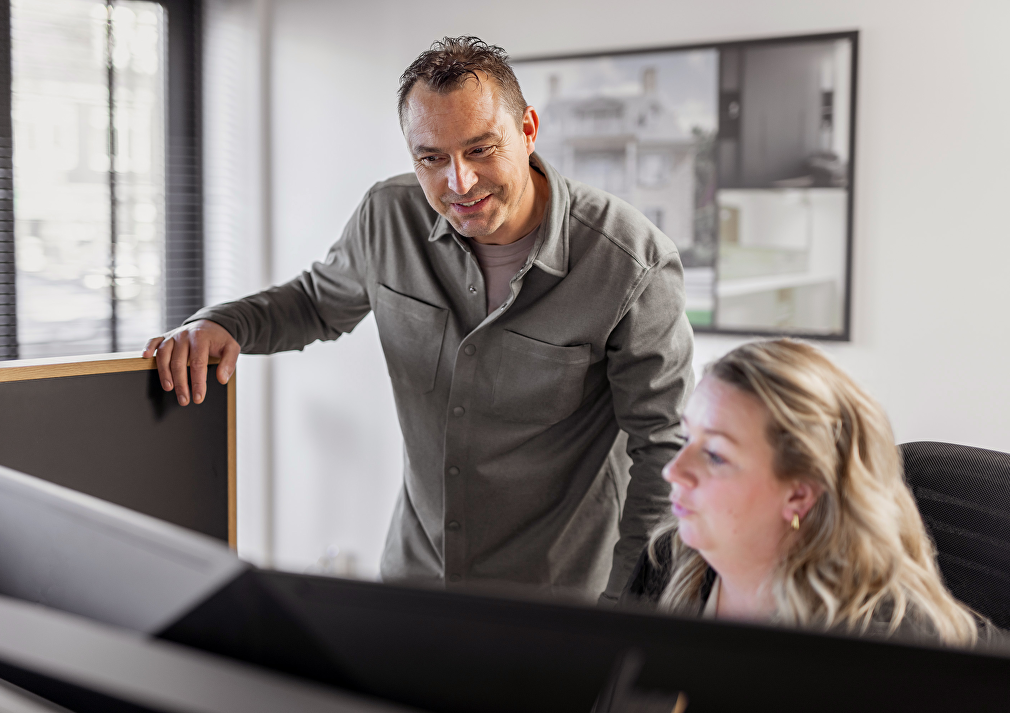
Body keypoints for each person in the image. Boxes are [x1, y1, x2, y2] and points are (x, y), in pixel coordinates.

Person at [143, 37, 694, 603]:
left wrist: (630, 610)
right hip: (415, 581)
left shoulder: (632, 263)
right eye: (431, 158)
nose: (459, 183)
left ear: (528, 129)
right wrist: (224, 323)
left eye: (482, 150)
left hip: (560, 598)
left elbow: (665, 452)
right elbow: (314, 302)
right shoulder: (387, 216)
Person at [621, 339, 996, 646]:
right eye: (687, 438)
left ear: (799, 495)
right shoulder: (667, 562)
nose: (675, 470)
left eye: (716, 455)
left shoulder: (888, 643)